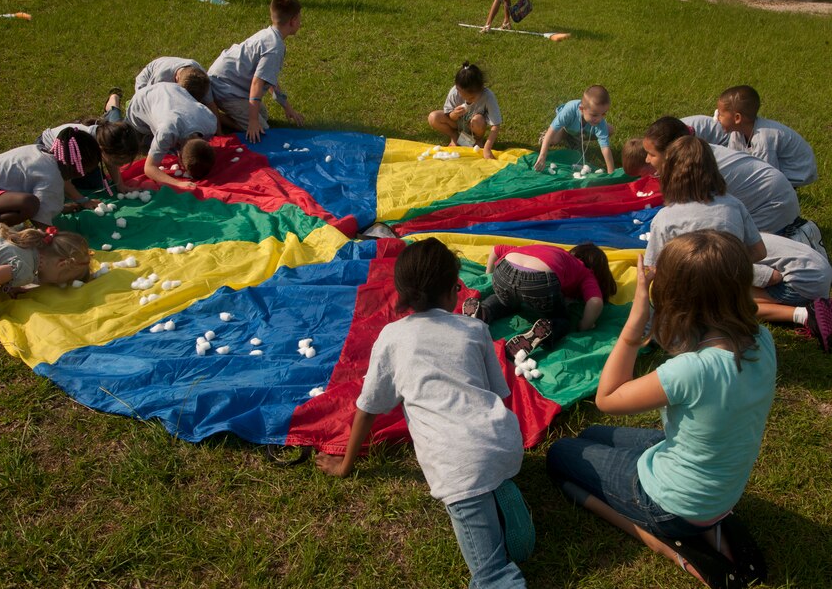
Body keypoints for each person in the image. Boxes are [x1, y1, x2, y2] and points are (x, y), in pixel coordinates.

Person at [547, 230, 776, 589]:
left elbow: (608, 398)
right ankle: (710, 528)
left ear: (676, 297)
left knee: (560, 453)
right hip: (718, 486)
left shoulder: (692, 370)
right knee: (591, 436)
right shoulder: (763, 339)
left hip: (671, 502)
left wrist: (635, 321)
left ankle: (669, 545)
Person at [315, 237, 534, 588]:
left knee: (492, 573)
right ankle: (500, 488)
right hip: (504, 443)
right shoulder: (476, 329)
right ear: (453, 292)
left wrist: (344, 465)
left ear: (401, 292)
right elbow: (501, 396)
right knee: (486, 473)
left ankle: (492, 501)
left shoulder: (391, 337)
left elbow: (367, 408)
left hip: (458, 466)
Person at [643, 117, 824, 256]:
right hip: (769, 197)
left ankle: (791, 244)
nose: (647, 160)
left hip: (774, 205)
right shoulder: (696, 156)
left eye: (651, 154)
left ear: (670, 153)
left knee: (721, 256)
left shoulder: (702, 167)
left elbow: (702, 214)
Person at [462, 243, 617, 359]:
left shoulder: (550, 251)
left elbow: (497, 249)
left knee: (505, 300)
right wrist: (585, 325)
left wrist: (489, 275)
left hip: (505, 269)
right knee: (561, 318)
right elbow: (595, 302)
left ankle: (483, 311)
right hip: (539, 282)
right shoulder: (584, 271)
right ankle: (546, 331)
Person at [643, 135, 766, 268]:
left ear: (669, 174)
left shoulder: (664, 218)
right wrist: (730, 264)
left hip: (684, 285)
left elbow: (654, 266)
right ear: (713, 168)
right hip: (732, 285)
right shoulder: (734, 205)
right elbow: (759, 252)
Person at [0, 127, 101, 232]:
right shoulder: (51, 175)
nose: (85, 175)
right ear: (78, 166)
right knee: (28, 204)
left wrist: (60, 207)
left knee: (29, 203)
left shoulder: (41, 152)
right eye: (87, 170)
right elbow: (41, 221)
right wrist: (57, 240)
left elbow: (40, 193)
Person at [0, 224, 91, 333]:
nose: (56, 283)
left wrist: (10, 285)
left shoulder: (25, 243)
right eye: (62, 279)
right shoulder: (23, 268)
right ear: (61, 265)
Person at [208, 0, 304, 142]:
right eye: (300, 19)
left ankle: (238, 117)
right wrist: (253, 122)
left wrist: (287, 107)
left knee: (263, 116)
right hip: (224, 88)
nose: (301, 23)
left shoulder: (270, 34)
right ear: (293, 21)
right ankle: (214, 116)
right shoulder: (274, 48)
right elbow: (257, 83)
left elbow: (268, 78)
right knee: (262, 128)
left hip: (228, 82)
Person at [716, 85, 818, 187]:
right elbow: (734, 162)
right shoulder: (736, 133)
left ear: (737, 118)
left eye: (721, 114)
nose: (717, 118)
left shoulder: (764, 139)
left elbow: (765, 177)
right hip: (778, 169)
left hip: (797, 173)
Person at [124, 82, 217, 189]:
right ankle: (113, 107)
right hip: (140, 105)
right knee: (123, 140)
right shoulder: (167, 132)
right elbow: (149, 168)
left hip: (172, 88)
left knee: (163, 148)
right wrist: (178, 184)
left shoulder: (211, 122)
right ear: (179, 157)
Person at [752, 232, 832, 352]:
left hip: (805, 283)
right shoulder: (740, 234)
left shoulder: (726, 258)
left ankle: (807, 315)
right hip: (818, 271)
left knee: (727, 301)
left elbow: (773, 278)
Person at [37, 116, 140, 209]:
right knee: (59, 190)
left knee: (94, 184)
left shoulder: (105, 139)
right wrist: (83, 201)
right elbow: (62, 177)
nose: (121, 165)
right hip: (51, 154)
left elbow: (110, 161)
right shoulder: (79, 147)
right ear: (102, 150)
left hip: (78, 154)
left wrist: (119, 184)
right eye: (118, 161)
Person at [533, 85, 615, 174]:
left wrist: (611, 172)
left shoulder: (599, 121)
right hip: (566, 128)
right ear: (582, 109)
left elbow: (605, 148)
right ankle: (566, 135)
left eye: (603, 114)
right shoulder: (569, 110)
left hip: (582, 131)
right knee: (552, 139)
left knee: (609, 130)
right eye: (594, 115)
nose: (599, 119)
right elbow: (551, 130)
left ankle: (575, 138)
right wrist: (542, 156)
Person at [427, 62, 502, 159]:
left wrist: (487, 149)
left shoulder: (487, 96)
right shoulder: (454, 92)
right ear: (458, 89)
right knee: (433, 117)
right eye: (463, 96)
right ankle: (454, 136)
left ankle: (478, 140)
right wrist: (454, 114)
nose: (467, 101)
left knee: (477, 119)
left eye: (471, 98)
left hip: (474, 126)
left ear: (481, 89)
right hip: (457, 124)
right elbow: (449, 116)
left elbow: (496, 125)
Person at [135, 57, 222, 134]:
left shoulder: (201, 77)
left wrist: (219, 133)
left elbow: (211, 104)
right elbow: (148, 100)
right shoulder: (161, 78)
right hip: (146, 85)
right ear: (177, 79)